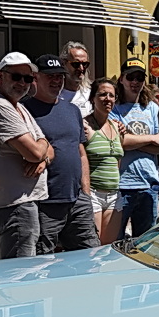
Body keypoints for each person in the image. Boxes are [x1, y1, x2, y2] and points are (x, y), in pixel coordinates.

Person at [0, 51, 53, 258]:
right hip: (14, 204)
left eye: (28, 78)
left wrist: (42, 159)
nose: (23, 83)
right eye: (16, 77)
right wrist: (41, 152)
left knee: (28, 271)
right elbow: (36, 150)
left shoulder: (18, 107)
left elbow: (47, 150)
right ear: (1, 77)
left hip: (24, 202)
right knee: (18, 274)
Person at [25, 54, 99, 254]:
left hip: (77, 200)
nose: (56, 81)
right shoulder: (24, 110)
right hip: (45, 202)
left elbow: (81, 151)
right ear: (36, 78)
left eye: (60, 76)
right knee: (42, 259)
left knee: (89, 255)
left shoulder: (72, 110)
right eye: (50, 76)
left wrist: (85, 191)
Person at [113, 60, 159, 237]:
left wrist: (133, 141)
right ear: (121, 79)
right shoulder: (113, 108)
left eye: (140, 78)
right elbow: (119, 142)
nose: (135, 82)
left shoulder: (151, 108)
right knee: (115, 240)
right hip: (123, 184)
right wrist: (149, 138)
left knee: (145, 243)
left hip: (148, 184)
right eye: (130, 77)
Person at [83, 79, 128, 243]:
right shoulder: (85, 126)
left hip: (114, 194)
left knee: (107, 247)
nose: (107, 99)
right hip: (94, 193)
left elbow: (117, 160)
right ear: (92, 98)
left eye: (111, 95)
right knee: (93, 248)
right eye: (102, 94)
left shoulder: (117, 127)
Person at [58, 42, 92, 116]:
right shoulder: (55, 94)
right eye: (76, 64)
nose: (81, 68)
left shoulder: (92, 93)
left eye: (85, 64)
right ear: (63, 63)